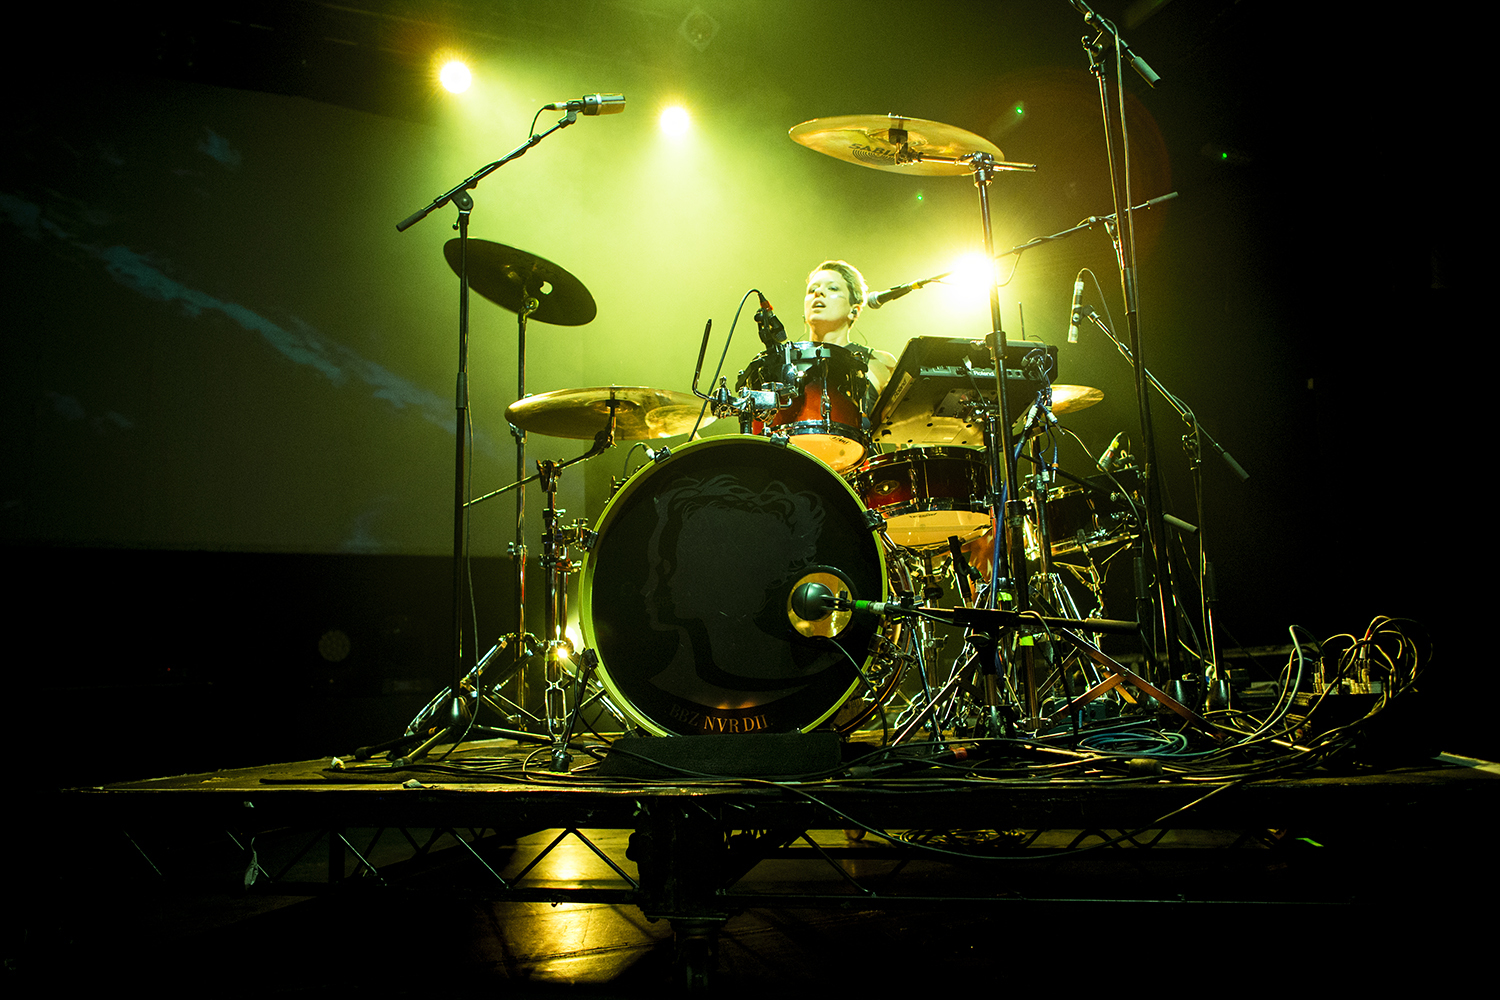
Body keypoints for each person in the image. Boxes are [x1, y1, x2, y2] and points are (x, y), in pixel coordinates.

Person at [802, 260, 895, 398]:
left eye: (832, 288)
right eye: (812, 289)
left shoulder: (880, 363)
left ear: (854, 311)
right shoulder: (784, 365)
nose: (818, 292)